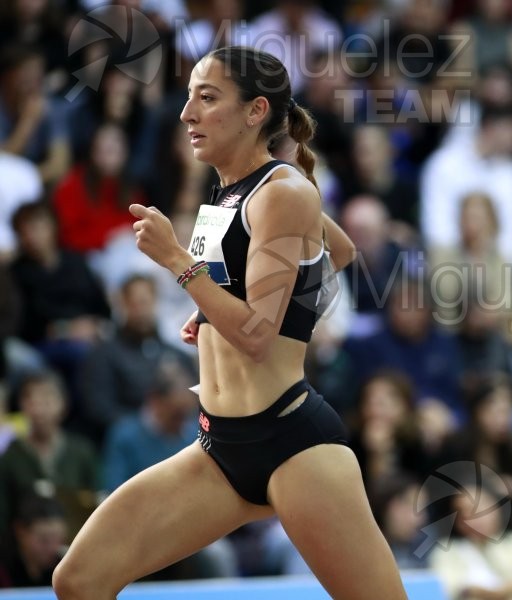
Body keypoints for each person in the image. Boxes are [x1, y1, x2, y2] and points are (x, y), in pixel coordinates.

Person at [52, 46, 408, 600]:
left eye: (207, 97)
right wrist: (214, 308)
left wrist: (178, 262)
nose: (186, 112)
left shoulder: (283, 191)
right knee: (77, 580)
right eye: (190, 96)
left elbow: (258, 336)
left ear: (255, 111)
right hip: (220, 447)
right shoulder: (231, 191)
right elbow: (331, 251)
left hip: (293, 442)